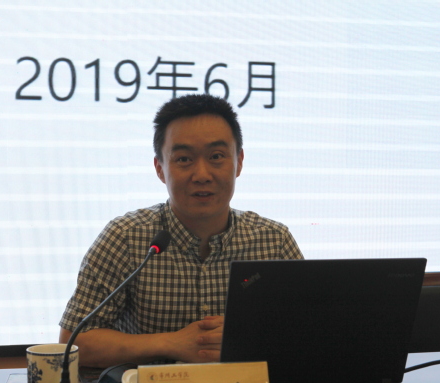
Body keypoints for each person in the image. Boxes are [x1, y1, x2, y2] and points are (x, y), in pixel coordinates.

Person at [59, 94, 303, 368]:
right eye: (184, 159)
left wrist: (246, 337)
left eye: (216, 156)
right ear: (160, 168)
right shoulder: (126, 237)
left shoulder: (274, 241)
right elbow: (73, 343)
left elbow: (307, 333)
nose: (202, 175)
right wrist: (171, 343)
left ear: (239, 161)